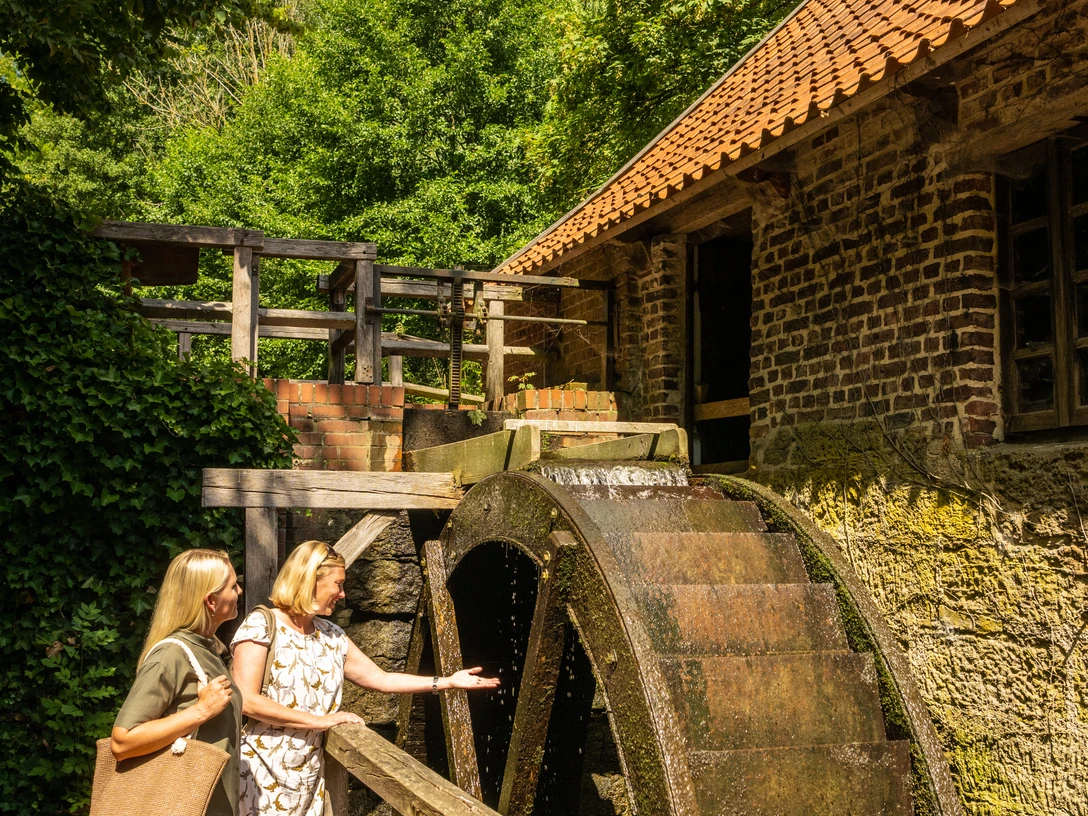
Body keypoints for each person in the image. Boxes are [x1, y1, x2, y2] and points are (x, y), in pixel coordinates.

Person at [231, 540, 499, 816]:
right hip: (260, 774)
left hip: (309, 776)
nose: (343, 594)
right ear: (311, 579)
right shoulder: (262, 624)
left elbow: (381, 679)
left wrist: (446, 682)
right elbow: (247, 701)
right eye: (338, 584)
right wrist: (320, 721)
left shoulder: (331, 635)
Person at [111, 548, 244, 816]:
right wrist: (201, 711)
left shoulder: (208, 649)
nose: (239, 591)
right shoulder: (171, 654)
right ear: (211, 601)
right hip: (184, 804)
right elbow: (122, 742)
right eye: (233, 585)